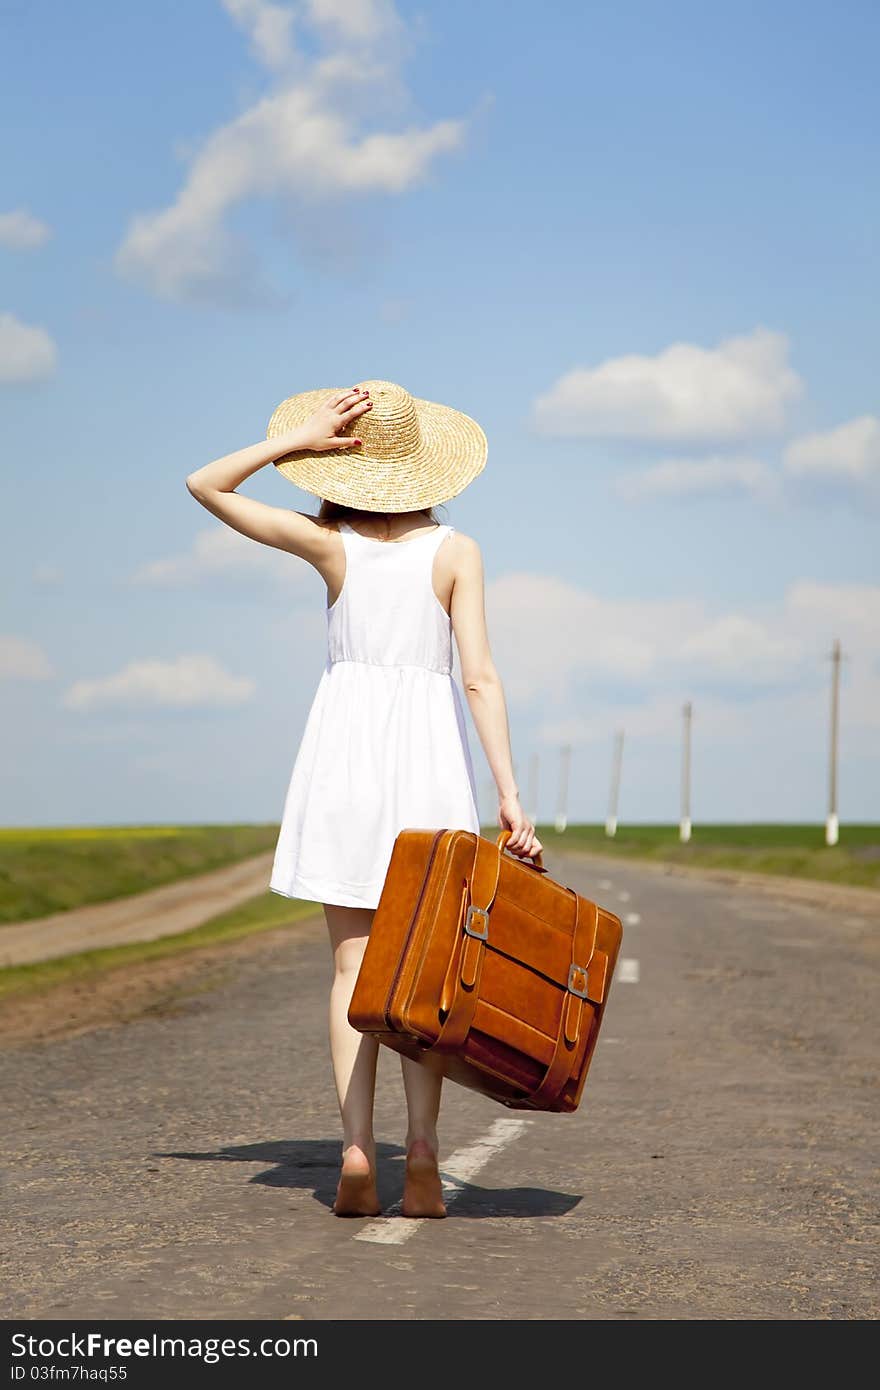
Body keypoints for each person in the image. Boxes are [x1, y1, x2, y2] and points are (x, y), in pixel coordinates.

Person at [186, 379, 541, 1220]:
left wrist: (295, 440)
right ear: (424, 466)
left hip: (342, 760)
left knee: (350, 965)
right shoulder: (456, 551)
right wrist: (510, 795)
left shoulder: (329, 544)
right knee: (423, 974)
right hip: (427, 765)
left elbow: (205, 484)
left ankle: (355, 1149)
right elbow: (480, 677)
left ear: (345, 465)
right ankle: (420, 1151)